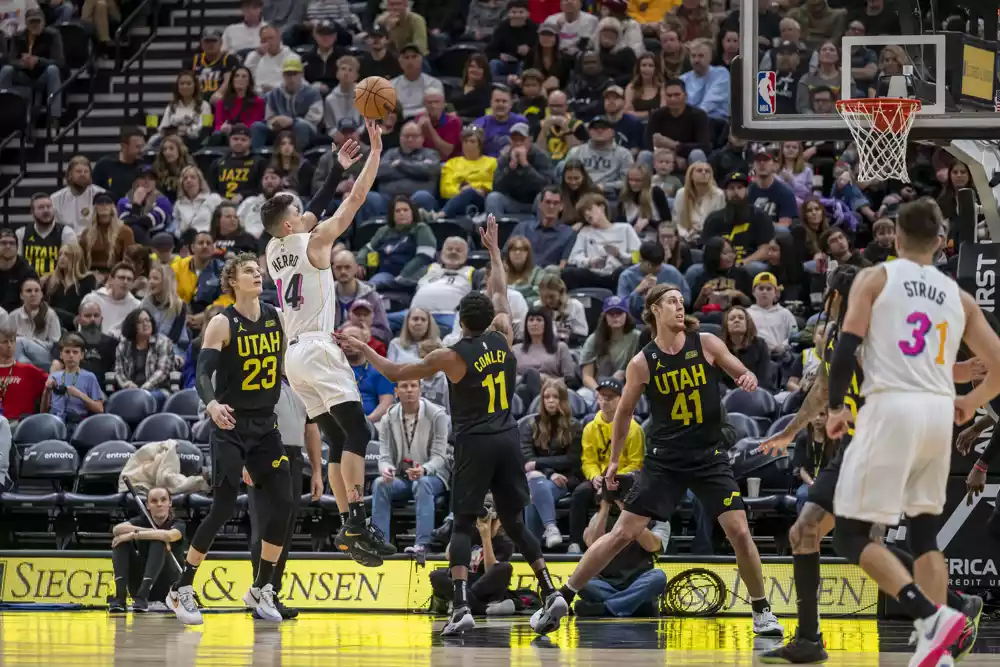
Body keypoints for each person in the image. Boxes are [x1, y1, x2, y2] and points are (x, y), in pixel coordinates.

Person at [335, 216, 565, 637]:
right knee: (514, 522)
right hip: (509, 439)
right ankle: (551, 591)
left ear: (462, 322)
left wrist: (362, 345)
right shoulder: (504, 335)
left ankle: (460, 607)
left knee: (462, 524)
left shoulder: (450, 355)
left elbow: (393, 367)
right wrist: (494, 251)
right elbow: (499, 290)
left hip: (476, 443)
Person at [759, 264, 984, 664]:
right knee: (809, 531)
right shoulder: (835, 337)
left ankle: (943, 612)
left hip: (882, 442)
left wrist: (958, 374)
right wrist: (790, 432)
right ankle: (810, 639)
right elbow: (823, 390)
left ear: (837, 295)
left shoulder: (879, 328)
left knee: (839, 537)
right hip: (853, 448)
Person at [530, 284, 783, 637]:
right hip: (665, 461)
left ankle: (762, 610)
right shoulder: (642, 362)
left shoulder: (706, 342)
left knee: (739, 531)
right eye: (672, 302)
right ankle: (562, 598)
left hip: (709, 457)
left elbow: (734, 365)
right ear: (654, 310)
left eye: (682, 301)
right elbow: (624, 414)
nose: (680, 307)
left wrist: (746, 374)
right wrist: (615, 460)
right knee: (623, 533)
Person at [817, 199, 1000, 665]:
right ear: (941, 242)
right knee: (923, 535)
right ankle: (937, 650)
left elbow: (845, 349)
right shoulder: (959, 297)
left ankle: (930, 616)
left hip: (891, 408)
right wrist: (970, 402)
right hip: (938, 414)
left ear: (895, 237)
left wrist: (837, 408)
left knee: (849, 536)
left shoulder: (876, 278)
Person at [262, 126, 396, 567]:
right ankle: (358, 516)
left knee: (338, 438)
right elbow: (353, 201)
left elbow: (306, 212)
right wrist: (372, 155)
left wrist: (329, 175)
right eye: (300, 213)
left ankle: (347, 524)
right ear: (291, 224)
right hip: (318, 348)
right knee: (358, 432)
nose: (308, 215)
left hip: (293, 356)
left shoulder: (272, 249)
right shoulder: (317, 243)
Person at [168, 253, 292, 625]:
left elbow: (284, 367)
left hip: (266, 425)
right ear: (232, 282)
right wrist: (211, 405)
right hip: (230, 425)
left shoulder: (277, 317)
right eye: (249, 272)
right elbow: (203, 374)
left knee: (285, 503)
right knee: (223, 507)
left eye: (258, 270)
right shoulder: (222, 323)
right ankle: (182, 588)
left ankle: (261, 589)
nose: (257, 274)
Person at [248, 381, 324, 620]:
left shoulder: (303, 386)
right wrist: (246, 460)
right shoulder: (262, 381)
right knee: (263, 529)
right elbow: (247, 422)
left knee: (285, 531)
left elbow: (311, 431)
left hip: (294, 458)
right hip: (265, 453)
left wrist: (317, 472)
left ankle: (272, 593)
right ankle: (258, 592)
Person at [372, 379, 451, 555]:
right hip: (403, 477)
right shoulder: (388, 418)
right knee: (380, 484)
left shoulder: (437, 414)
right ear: (396, 392)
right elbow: (384, 455)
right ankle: (380, 543)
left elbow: (440, 456)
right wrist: (386, 468)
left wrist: (424, 469)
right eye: (404, 386)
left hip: (434, 476)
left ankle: (423, 545)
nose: (409, 390)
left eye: (413, 386)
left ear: (420, 389)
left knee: (422, 483)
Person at [575, 479, 668, 618]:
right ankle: (633, 605)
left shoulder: (657, 518)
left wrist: (629, 512)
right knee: (582, 581)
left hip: (638, 580)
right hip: (606, 582)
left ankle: (606, 608)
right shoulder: (601, 516)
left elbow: (653, 546)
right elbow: (592, 543)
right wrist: (605, 504)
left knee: (658, 577)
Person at [572, 378, 644, 553]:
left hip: (624, 478)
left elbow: (636, 463)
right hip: (600, 477)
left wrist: (614, 476)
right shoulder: (590, 428)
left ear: (621, 399)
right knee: (579, 494)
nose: (605, 401)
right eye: (602, 396)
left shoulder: (633, 429)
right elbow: (588, 461)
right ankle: (575, 544)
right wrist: (594, 476)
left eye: (611, 397)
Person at [520, 378, 582, 547]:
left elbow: (571, 460)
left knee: (534, 488)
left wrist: (540, 466)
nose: (551, 401)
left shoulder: (574, 426)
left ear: (563, 400)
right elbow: (527, 460)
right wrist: (549, 472)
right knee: (534, 482)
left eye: (555, 397)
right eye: (547, 397)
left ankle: (532, 547)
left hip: (566, 479)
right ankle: (550, 527)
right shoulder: (530, 425)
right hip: (542, 478)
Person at [108, 488, 186, 612]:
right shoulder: (142, 521)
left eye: (163, 500)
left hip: (168, 585)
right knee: (121, 542)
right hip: (141, 581)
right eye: (154, 501)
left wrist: (134, 535)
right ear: (148, 505)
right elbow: (117, 529)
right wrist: (150, 532)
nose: (159, 504)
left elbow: (169, 536)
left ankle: (142, 596)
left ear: (170, 503)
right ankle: (120, 598)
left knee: (159, 541)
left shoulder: (178, 523)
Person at [113, 308, 177, 408]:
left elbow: (162, 371)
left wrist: (144, 388)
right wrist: (126, 384)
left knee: (145, 399)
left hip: (158, 390)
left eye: (148, 320)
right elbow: (118, 371)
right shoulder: (124, 345)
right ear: (132, 326)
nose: (145, 324)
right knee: (115, 401)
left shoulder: (163, 342)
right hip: (130, 390)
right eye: (140, 322)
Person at [41, 333, 104, 425]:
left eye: (75, 352)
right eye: (67, 352)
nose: (71, 355)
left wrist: (79, 394)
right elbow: (43, 412)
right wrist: (46, 391)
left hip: (77, 422)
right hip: (55, 421)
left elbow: (100, 409)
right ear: (61, 355)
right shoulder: (54, 376)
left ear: (82, 355)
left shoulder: (89, 377)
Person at [17, 193, 77, 277]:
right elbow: (17, 264)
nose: (46, 210)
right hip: (29, 282)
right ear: (32, 212)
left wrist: (48, 278)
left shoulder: (67, 233)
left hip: (58, 282)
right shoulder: (21, 233)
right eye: (41, 207)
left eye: (49, 207)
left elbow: (70, 265)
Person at [11, 278, 62, 367]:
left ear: (41, 294)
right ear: (21, 295)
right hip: (20, 356)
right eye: (29, 291)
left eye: (37, 290)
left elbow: (56, 342)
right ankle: (29, 370)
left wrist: (30, 342)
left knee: (19, 341)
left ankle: (26, 369)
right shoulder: (14, 315)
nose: (33, 294)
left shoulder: (50, 314)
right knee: (18, 350)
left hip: (46, 355)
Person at [81, 262, 141, 334]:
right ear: (111, 279)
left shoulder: (136, 306)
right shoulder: (92, 299)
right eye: (121, 278)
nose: (125, 282)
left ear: (132, 284)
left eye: (129, 279)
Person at [0, 229, 37, 314]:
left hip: (19, 318)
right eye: (3, 243)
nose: (8, 246)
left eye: (12, 243)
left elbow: (32, 303)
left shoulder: (28, 272)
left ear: (17, 248)